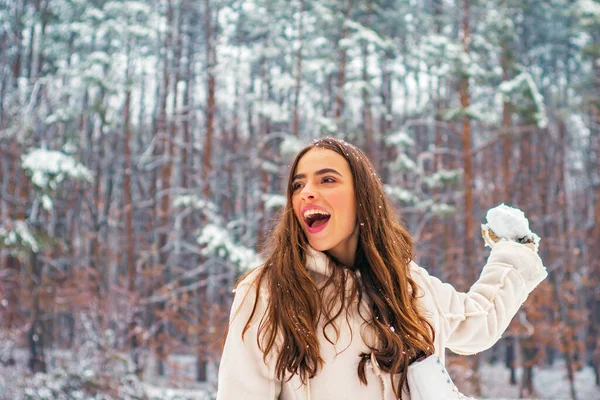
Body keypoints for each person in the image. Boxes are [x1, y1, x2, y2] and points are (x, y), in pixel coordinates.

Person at [216, 137, 547, 399]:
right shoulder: (268, 293)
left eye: (327, 179)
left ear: (362, 196)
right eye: (297, 185)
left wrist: (513, 254)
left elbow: (478, 320)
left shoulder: (407, 285)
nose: (307, 193)